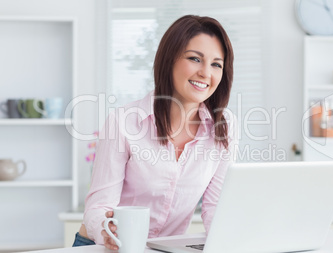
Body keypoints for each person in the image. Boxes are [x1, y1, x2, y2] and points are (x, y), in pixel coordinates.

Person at [73, 15, 237, 250]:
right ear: (169, 60)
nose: (205, 73)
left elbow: (215, 208)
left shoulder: (224, 127)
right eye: (195, 59)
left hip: (162, 249)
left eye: (216, 64)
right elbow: (98, 206)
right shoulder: (124, 123)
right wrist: (107, 231)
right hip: (104, 246)